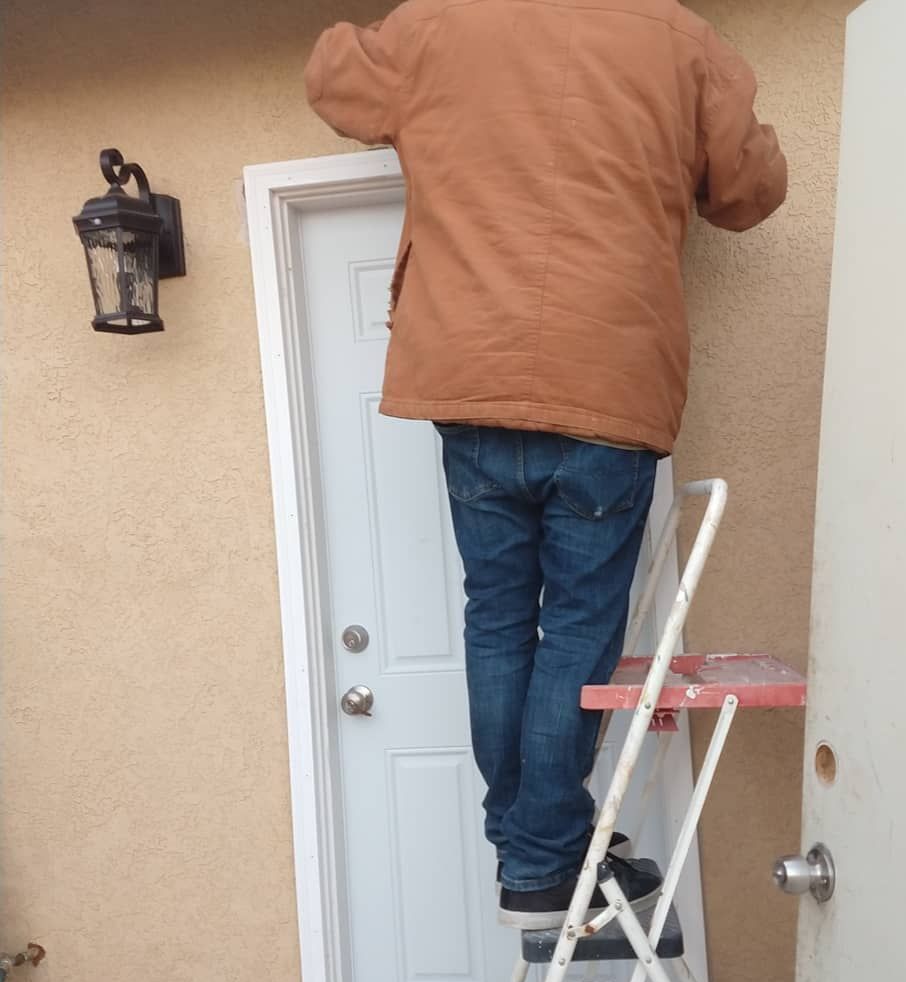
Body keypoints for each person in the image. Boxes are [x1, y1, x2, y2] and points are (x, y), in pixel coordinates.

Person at [305, 0, 786, 930]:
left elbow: (334, 76)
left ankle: (532, 845)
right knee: (574, 628)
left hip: (469, 377)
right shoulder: (678, 36)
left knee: (497, 618)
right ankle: (542, 851)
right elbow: (749, 191)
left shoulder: (433, 25)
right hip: (609, 381)